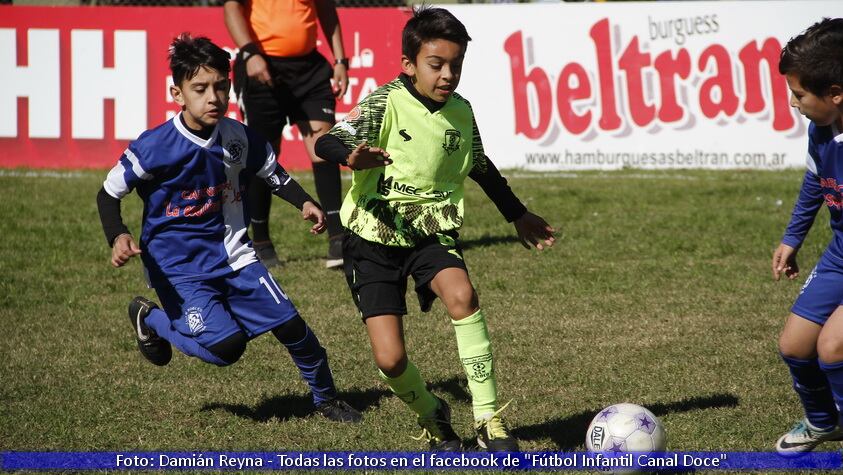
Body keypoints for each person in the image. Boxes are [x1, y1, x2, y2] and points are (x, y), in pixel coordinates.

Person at [314, 7, 555, 451]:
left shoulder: (461, 112)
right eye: (436, 64)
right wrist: (351, 157)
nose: (448, 75)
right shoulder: (384, 102)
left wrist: (517, 213)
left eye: (455, 65)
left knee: (463, 296)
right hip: (372, 237)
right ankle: (432, 413)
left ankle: (489, 420)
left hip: (431, 230)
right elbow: (324, 140)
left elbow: (481, 167)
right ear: (409, 64)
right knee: (390, 359)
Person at [95, 33, 361, 423]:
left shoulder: (237, 136)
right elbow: (107, 194)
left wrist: (304, 201)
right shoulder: (154, 147)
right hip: (177, 268)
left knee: (291, 325)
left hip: (234, 254)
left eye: (221, 86)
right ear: (177, 93)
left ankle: (326, 400)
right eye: (200, 88)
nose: (213, 97)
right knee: (227, 348)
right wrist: (118, 234)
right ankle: (150, 318)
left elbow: (273, 173)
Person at [223, 0, 349, 269]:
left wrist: (340, 60)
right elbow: (231, 7)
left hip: (310, 68)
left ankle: (338, 238)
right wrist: (249, 53)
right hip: (262, 66)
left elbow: (326, 9)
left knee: (323, 145)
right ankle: (261, 242)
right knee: (262, 156)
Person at [771, 17, 843, 456]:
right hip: (840, 255)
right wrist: (792, 238)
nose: (794, 104)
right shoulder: (821, 131)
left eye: (799, 95)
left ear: (835, 94)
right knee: (794, 345)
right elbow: (815, 184)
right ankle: (824, 422)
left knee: (833, 348)